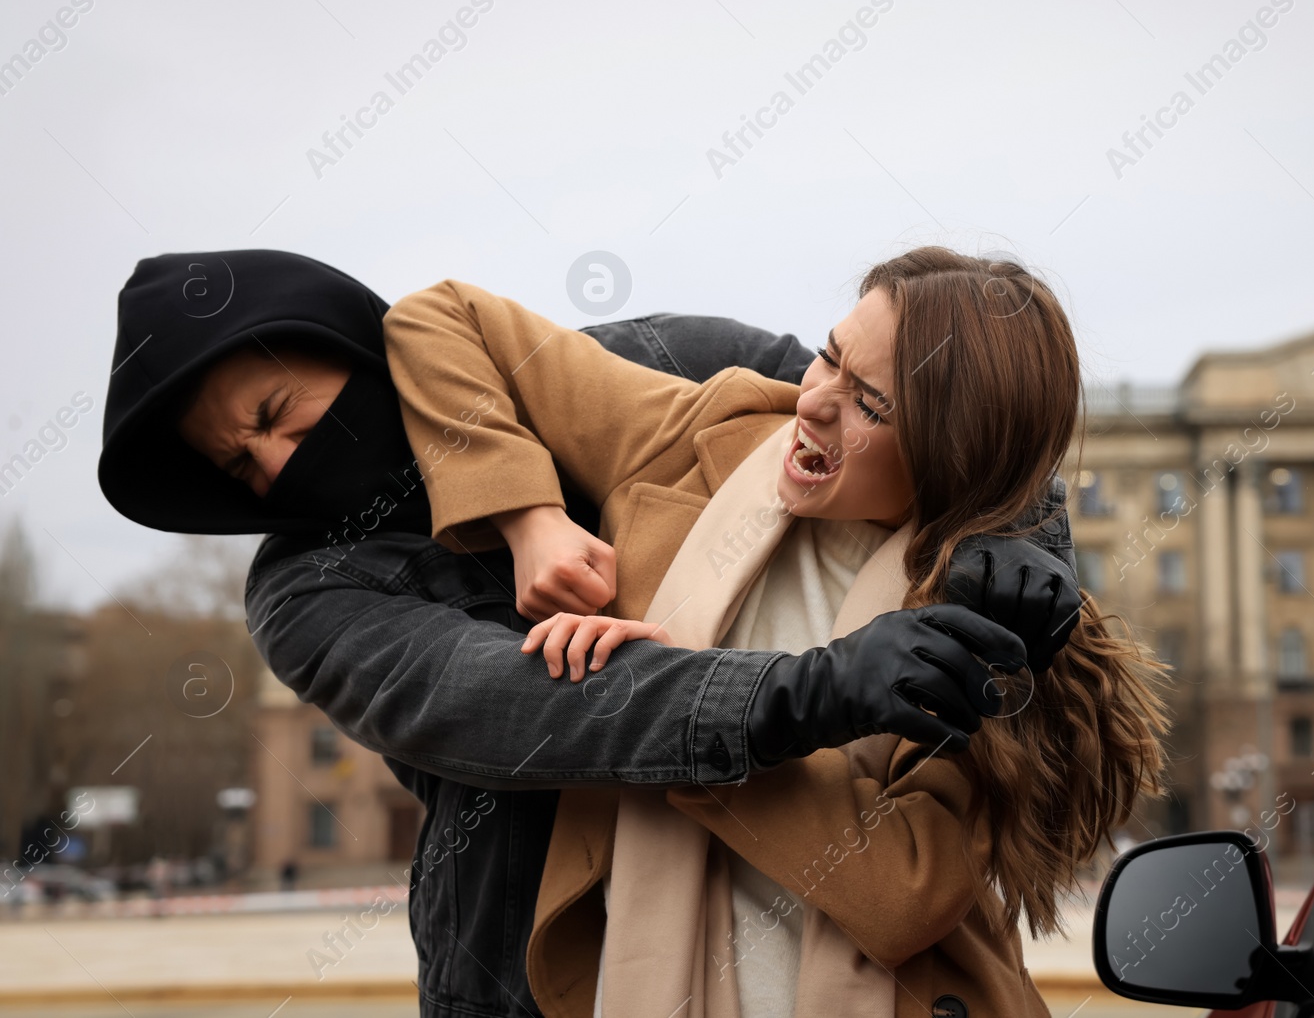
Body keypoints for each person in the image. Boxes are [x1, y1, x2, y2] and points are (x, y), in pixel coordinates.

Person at [97, 249, 1080, 1018]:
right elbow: (506, 702)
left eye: (276, 413)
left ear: (344, 337)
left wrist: (1028, 548)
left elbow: (937, 403)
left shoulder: (635, 371)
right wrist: (804, 691)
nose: (274, 468)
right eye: (238, 466)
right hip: (528, 955)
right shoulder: (304, 585)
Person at [381, 247, 1171, 1017]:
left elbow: (906, 891)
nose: (814, 401)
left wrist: (667, 716)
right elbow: (438, 319)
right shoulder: (701, 436)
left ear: (952, 450)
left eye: (871, 403)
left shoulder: (990, 609)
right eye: (828, 357)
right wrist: (533, 521)